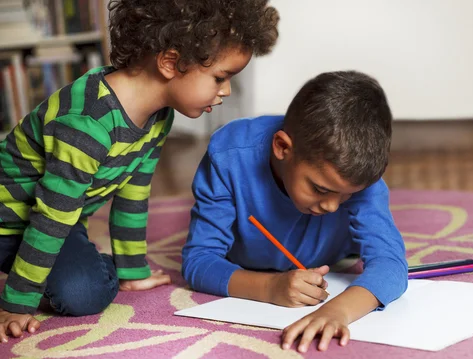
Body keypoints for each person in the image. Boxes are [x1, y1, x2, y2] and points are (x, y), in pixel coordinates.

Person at [0, 0, 279, 343]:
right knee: (85, 286)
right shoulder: (89, 123)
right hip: (16, 218)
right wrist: (18, 301)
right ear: (170, 62)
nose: (226, 91)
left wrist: (132, 271)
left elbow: (133, 194)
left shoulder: (159, 117)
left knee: (85, 293)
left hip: (59, 220)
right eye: (220, 77)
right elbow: (51, 216)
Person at [183, 71, 408, 353]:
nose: (332, 206)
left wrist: (338, 311)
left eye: (348, 195)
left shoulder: (359, 174)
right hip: (251, 263)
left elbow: (391, 264)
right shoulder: (229, 156)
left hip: (334, 256)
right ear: (281, 147)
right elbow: (198, 262)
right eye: (320, 189)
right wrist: (269, 288)